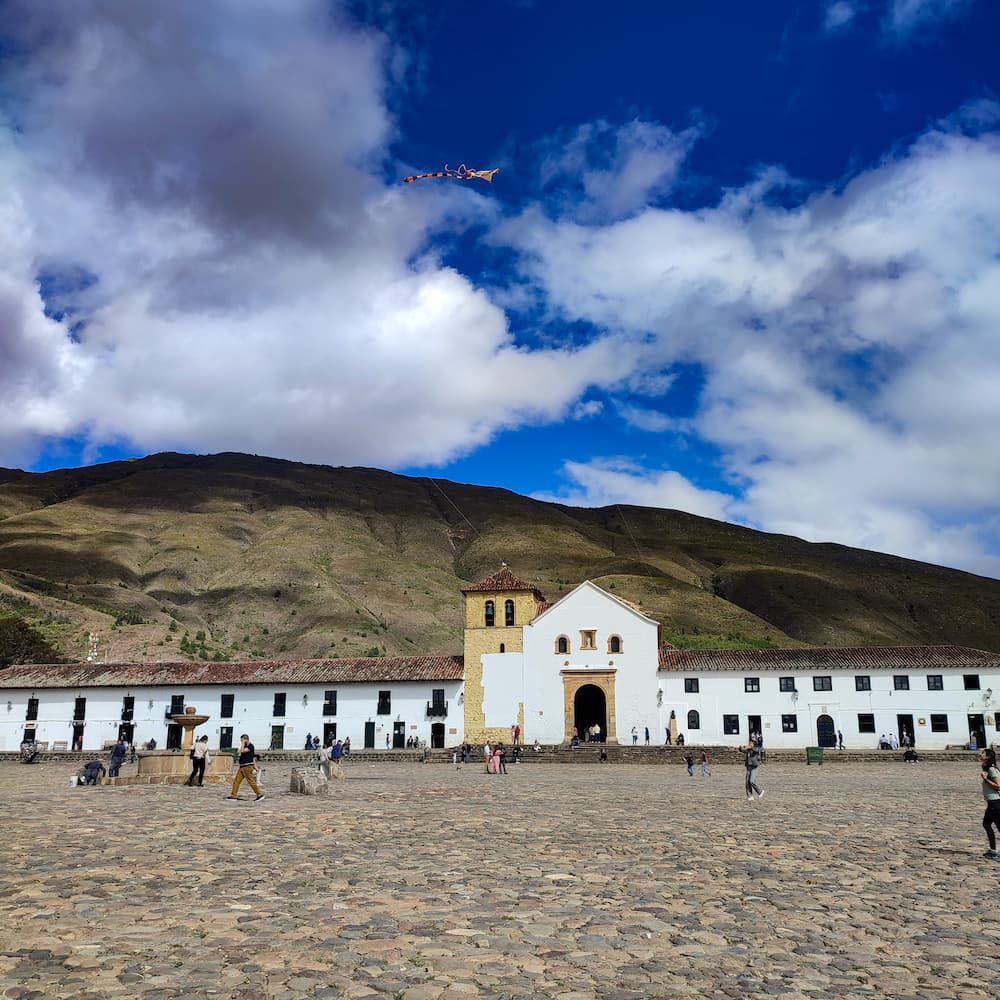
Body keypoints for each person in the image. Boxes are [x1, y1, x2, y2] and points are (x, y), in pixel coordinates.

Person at [226, 734, 264, 802]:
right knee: (236, 781)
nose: (241, 741)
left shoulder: (250, 746)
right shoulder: (246, 746)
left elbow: (242, 751)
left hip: (247, 767)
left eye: (242, 740)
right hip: (242, 766)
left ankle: (259, 794)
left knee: (251, 781)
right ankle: (233, 795)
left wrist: (254, 767)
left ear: (246, 739)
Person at [980, 748, 1000, 859]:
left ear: (987, 756)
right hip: (991, 802)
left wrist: (986, 779)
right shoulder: (987, 768)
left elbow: (998, 785)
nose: (980, 754)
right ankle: (992, 850)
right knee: (986, 824)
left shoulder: (992, 769)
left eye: (983, 753)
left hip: (995, 802)